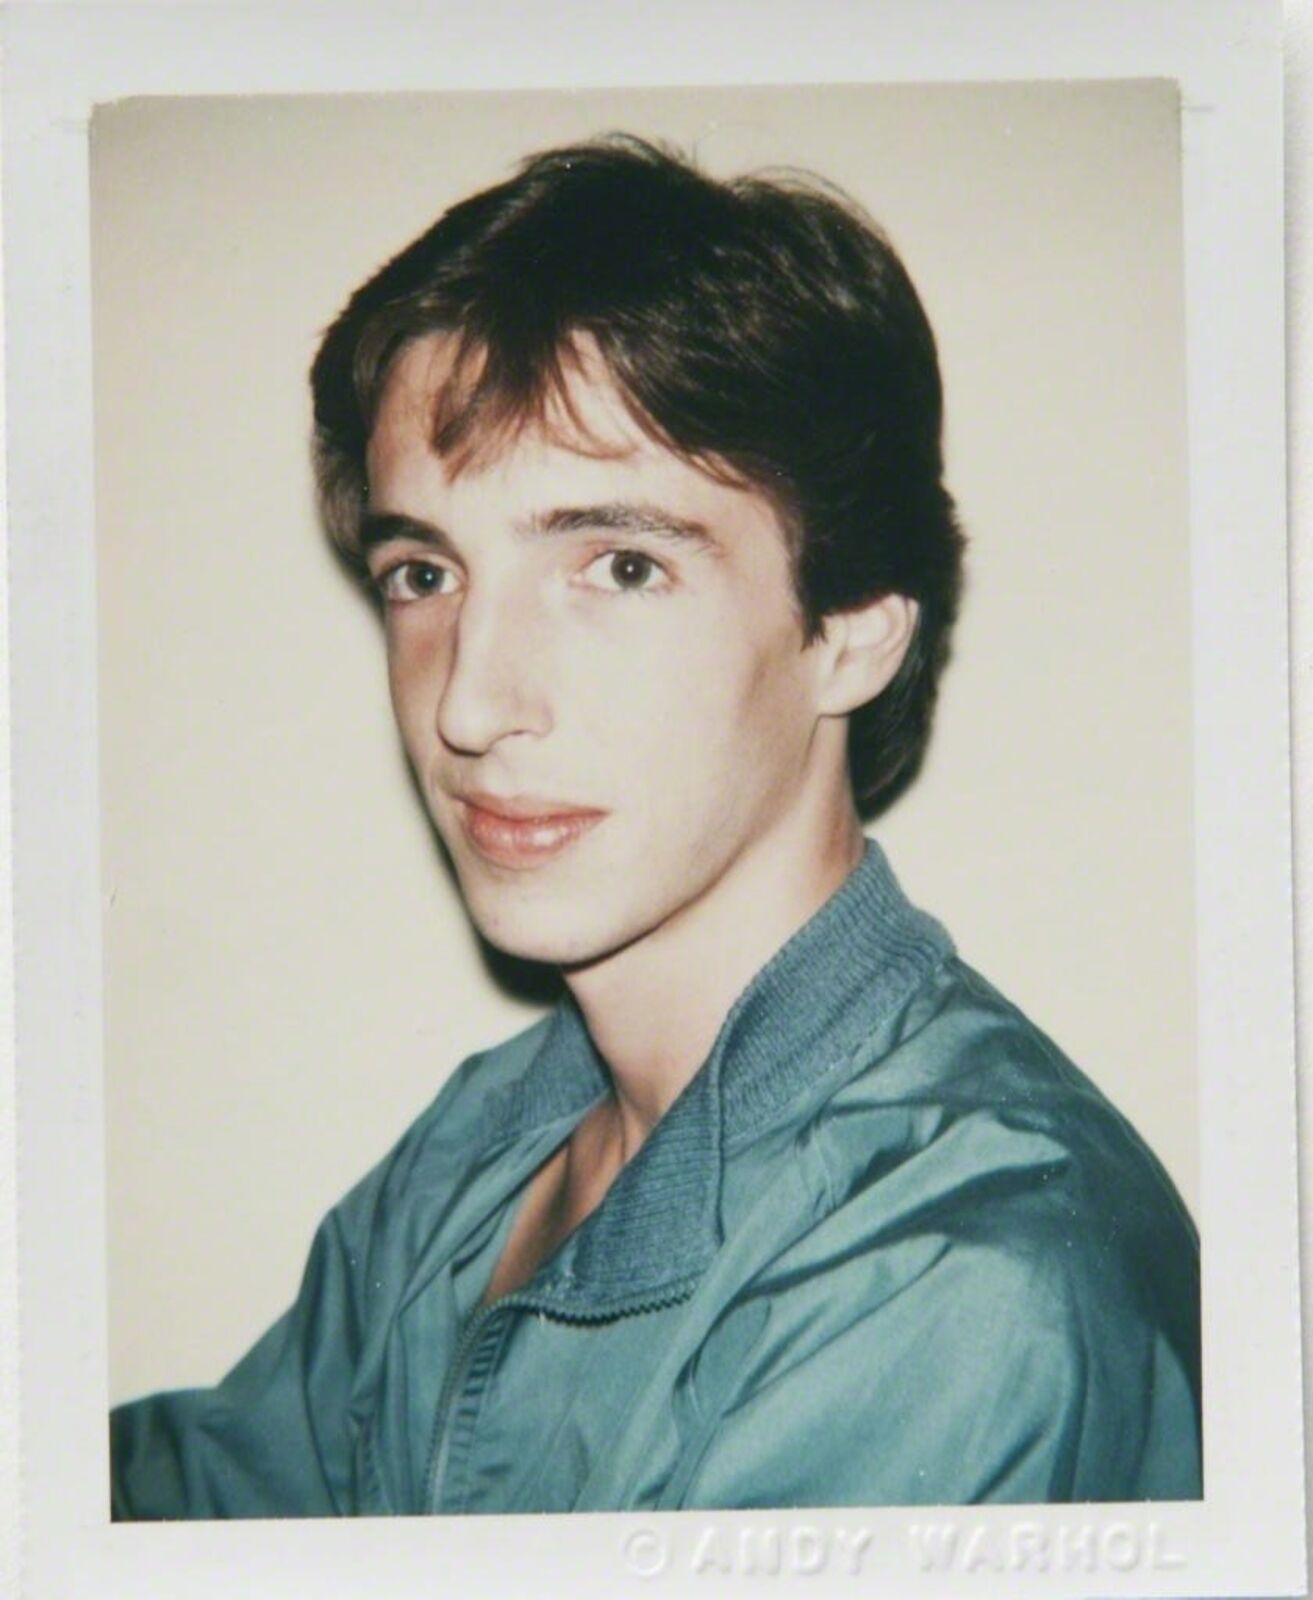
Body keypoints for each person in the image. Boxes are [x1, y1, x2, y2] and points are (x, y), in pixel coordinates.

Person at [109, 135, 1201, 1517]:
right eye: (424, 569)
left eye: (618, 566)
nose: (471, 700)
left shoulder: (961, 1275)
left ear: (850, 634)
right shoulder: (498, 1132)